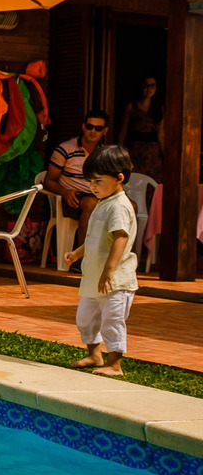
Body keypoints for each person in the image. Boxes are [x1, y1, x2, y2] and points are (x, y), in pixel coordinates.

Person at [63, 145, 138, 377]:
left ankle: (115, 364)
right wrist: (77, 253)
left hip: (114, 281)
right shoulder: (103, 203)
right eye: (90, 182)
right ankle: (95, 354)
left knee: (112, 321)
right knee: (86, 319)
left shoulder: (119, 206)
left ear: (119, 178)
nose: (92, 186)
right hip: (95, 278)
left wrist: (109, 270)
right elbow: (95, 238)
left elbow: (120, 238)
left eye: (98, 181)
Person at [43, 109, 109, 250]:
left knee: (130, 205)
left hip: (97, 197)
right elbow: (48, 181)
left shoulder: (104, 153)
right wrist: (64, 192)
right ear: (83, 127)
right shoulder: (65, 149)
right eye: (90, 127)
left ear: (105, 131)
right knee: (91, 204)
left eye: (98, 128)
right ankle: (82, 257)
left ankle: (118, 257)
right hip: (71, 199)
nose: (93, 131)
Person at [118, 76, 164, 182]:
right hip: (136, 149)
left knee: (153, 180)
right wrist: (120, 151)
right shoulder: (132, 107)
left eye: (152, 86)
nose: (149, 89)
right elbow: (123, 131)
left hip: (153, 151)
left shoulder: (159, 108)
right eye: (146, 85)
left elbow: (161, 134)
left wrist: (165, 154)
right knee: (135, 179)